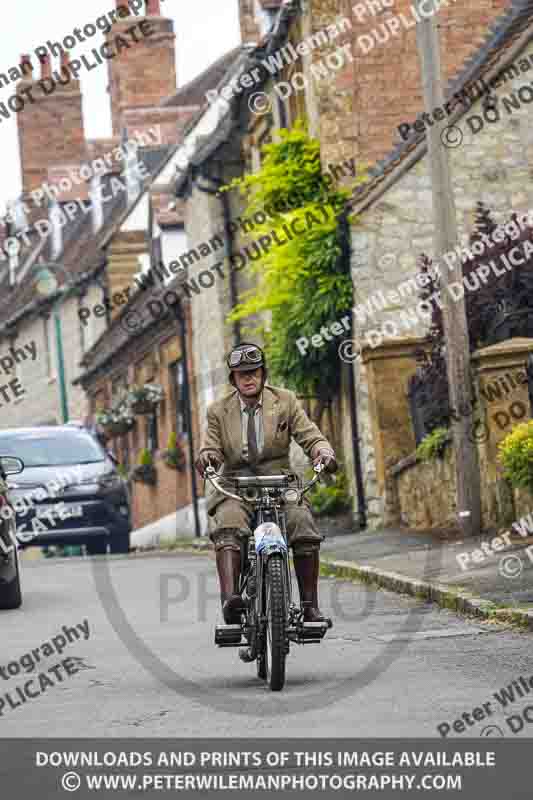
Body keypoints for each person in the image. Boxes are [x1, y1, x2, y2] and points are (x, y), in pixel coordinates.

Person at [196, 343, 337, 625]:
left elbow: (310, 435)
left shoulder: (285, 401)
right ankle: (231, 600)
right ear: (233, 379)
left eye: (254, 372)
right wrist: (208, 458)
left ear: (263, 374)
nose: (248, 378)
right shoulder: (218, 412)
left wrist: (323, 451)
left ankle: (310, 606)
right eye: (241, 374)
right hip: (235, 486)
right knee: (229, 524)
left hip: (279, 483)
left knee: (301, 522)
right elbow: (209, 447)